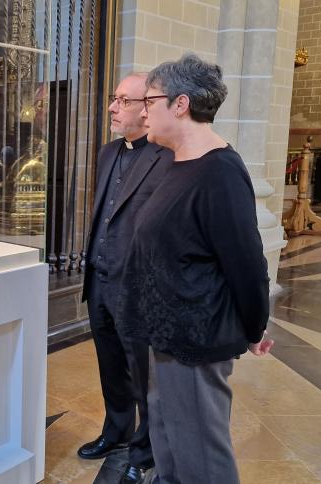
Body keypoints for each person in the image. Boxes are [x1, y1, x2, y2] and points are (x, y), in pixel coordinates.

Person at [116, 54, 274, 484]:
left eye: (150, 100)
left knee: (201, 456)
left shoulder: (219, 170)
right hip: (165, 331)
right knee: (168, 444)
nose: (142, 110)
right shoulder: (175, 161)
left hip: (196, 338)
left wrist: (254, 327)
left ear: (180, 103)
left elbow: (246, 263)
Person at [79, 72, 173, 484]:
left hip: (135, 286)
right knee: (110, 364)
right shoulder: (106, 152)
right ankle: (116, 430)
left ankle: (145, 449)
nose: (113, 108)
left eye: (123, 100)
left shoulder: (166, 157)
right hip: (100, 278)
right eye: (114, 99)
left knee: (143, 374)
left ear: (146, 109)